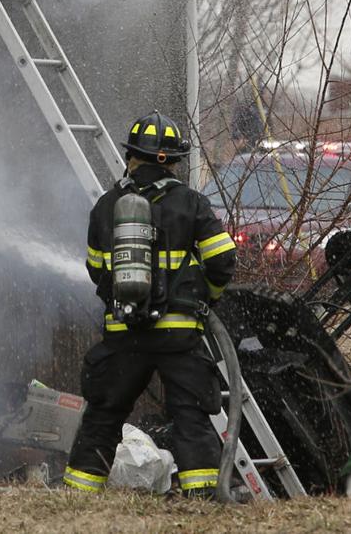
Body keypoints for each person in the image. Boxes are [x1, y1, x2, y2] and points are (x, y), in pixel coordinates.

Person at [62, 111, 237, 497]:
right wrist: (206, 297)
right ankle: (205, 498)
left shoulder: (107, 206)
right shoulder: (191, 203)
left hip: (125, 333)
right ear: (172, 161)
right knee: (190, 417)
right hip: (178, 334)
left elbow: (95, 269)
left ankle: (79, 494)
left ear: (132, 157)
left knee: (103, 417)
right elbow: (223, 260)